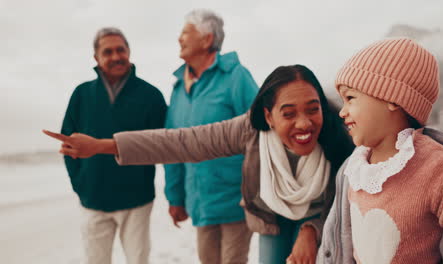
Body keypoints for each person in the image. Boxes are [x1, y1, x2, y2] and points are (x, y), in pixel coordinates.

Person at [43, 64, 354, 264]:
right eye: (288, 114)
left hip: (322, 214)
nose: (304, 124)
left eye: (312, 109)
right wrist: (102, 145)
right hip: (269, 215)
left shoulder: (338, 136)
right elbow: (181, 142)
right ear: (268, 116)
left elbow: (344, 197)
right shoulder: (249, 129)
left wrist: (311, 230)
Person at [316, 38, 443, 263]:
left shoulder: (441, 169)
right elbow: (337, 243)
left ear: (392, 99)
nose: (342, 111)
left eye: (350, 98)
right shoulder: (354, 169)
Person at [59, 27, 167, 264]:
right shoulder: (81, 95)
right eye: (108, 52)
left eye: (121, 49)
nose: (116, 56)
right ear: (96, 58)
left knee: (138, 260)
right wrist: (80, 185)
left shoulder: (151, 96)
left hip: (137, 200)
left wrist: (175, 194)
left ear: (129, 51)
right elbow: (67, 145)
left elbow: (167, 146)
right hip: (93, 201)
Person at [164, 9, 258, 264]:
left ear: (207, 39)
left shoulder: (236, 77)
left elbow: (262, 133)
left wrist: (256, 191)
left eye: (186, 32)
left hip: (235, 200)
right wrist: (175, 197)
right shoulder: (178, 89)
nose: (179, 39)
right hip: (200, 203)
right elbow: (172, 146)